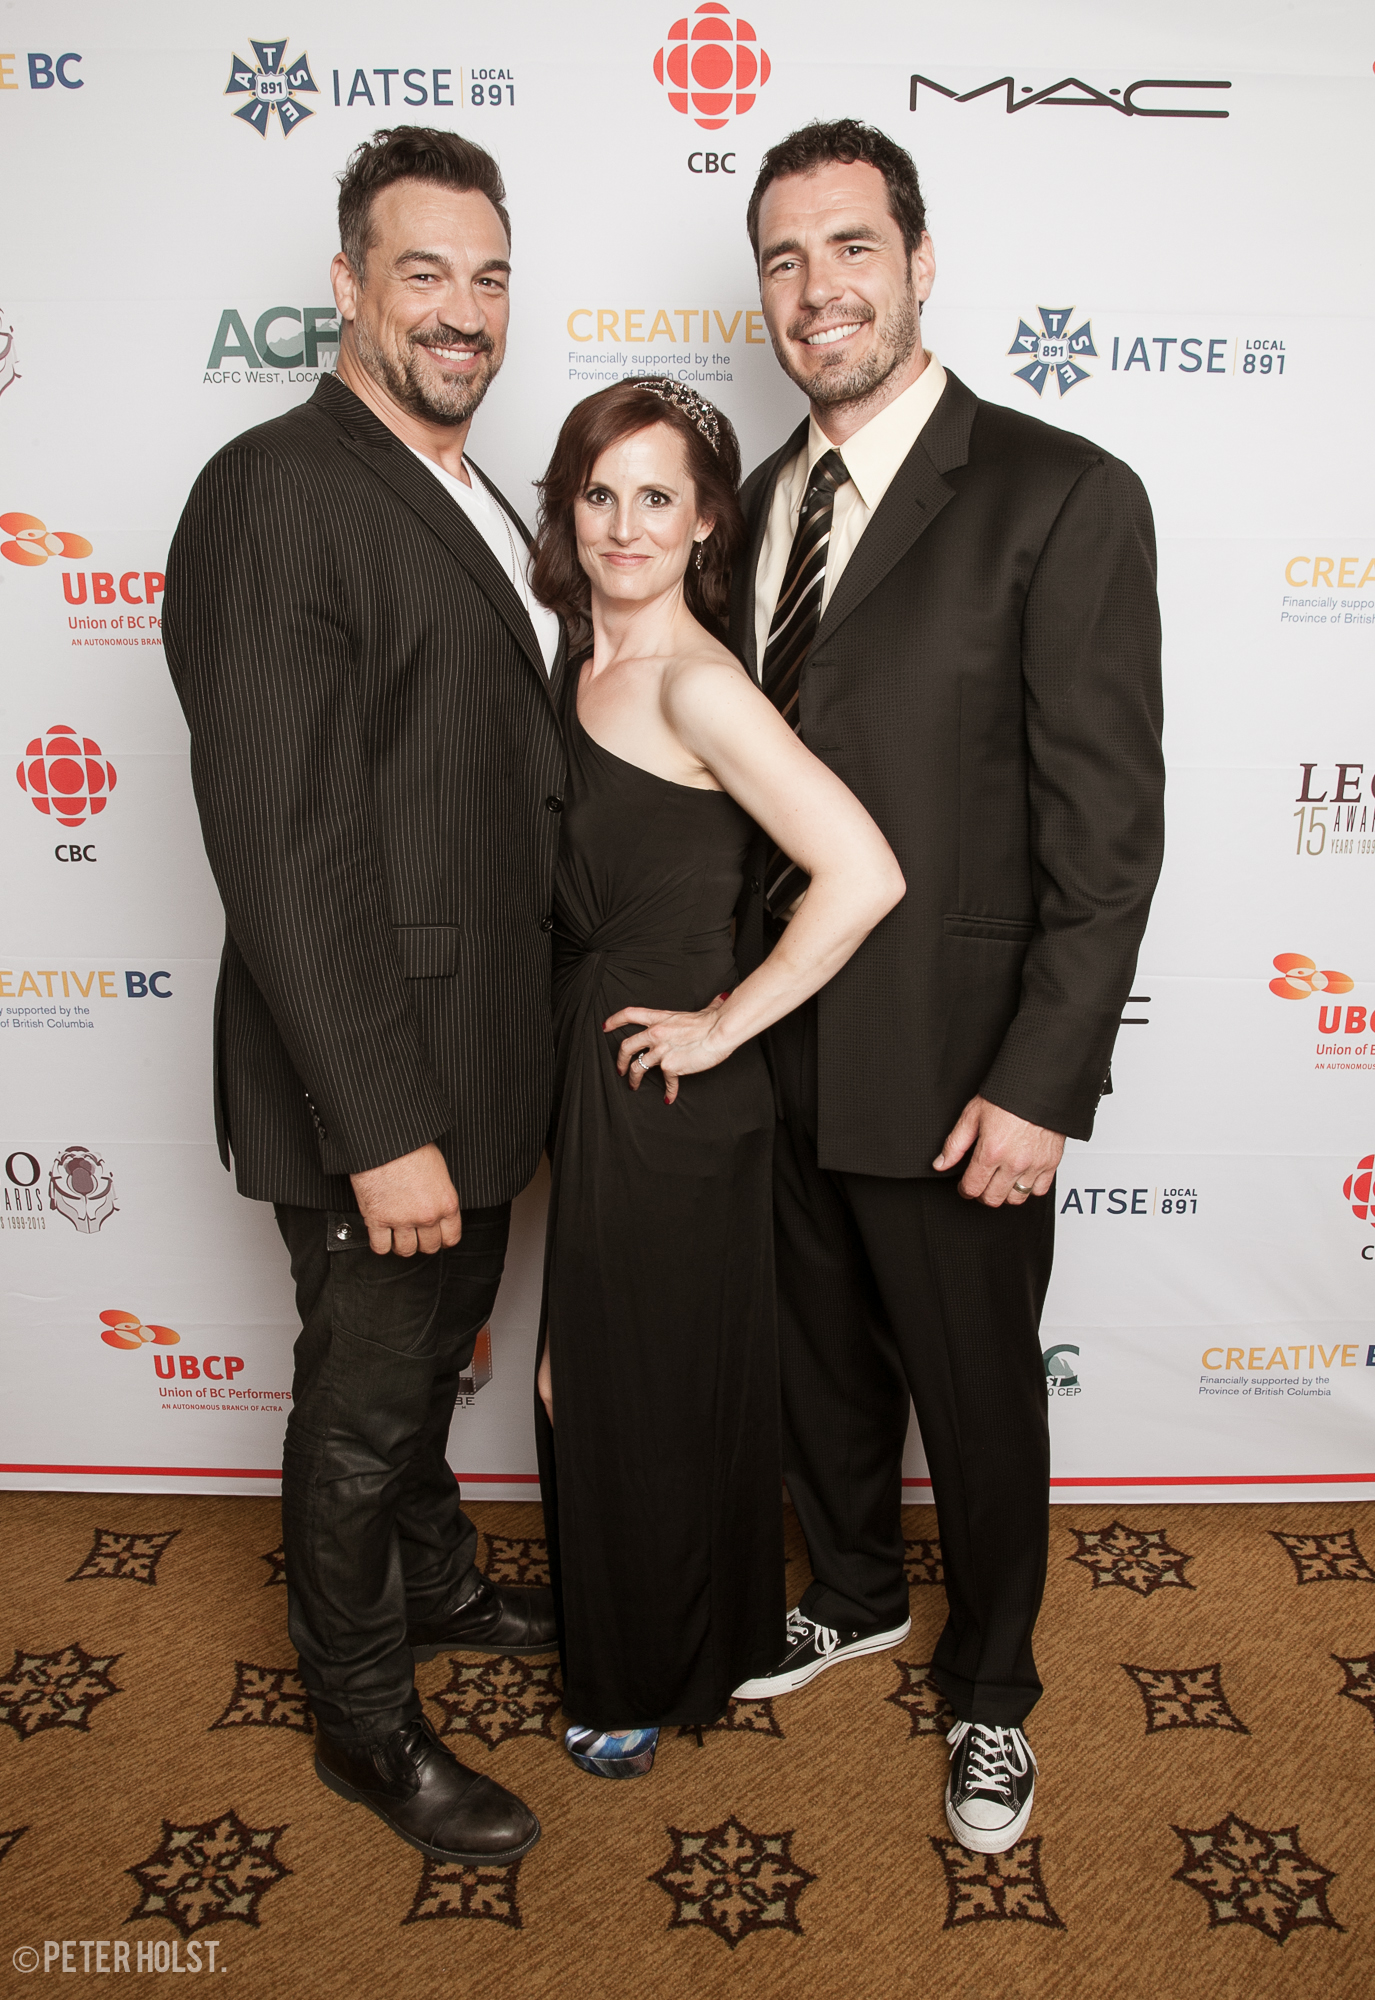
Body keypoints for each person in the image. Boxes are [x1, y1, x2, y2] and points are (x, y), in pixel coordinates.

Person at [728, 121, 1165, 1854]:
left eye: (849, 247)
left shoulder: (1062, 492)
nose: (817, 289)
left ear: (920, 262)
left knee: (976, 1397)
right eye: (783, 258)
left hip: (967, 1064)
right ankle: (852, 1591)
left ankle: (994, 1689)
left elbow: (1108, 834)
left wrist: (1046, 1081)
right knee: (819, 1366)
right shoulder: (754, 504)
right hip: (783, 1045)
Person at [163, 127, 566, 1867]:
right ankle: (362, 1721)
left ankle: (446, 1585)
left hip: (478, 1057)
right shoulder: (277, 486)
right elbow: (288, 838)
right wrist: (384, 1127)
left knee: (411, 1383)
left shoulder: (483, 488)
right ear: (345, 287)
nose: (463, 311)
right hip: (381, 1082)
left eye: (487, 275)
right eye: (424, 272)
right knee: (363, 1405)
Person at [527, 377, 905, 1779]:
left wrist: (724, 1022)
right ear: (571, 508)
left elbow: (863, 873)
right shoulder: (576, 663)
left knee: (629, 1384)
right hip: (595, 1080)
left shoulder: (697, 681)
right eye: (602, 493)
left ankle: (652, 1670)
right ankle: (670, 1633)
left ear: (705, 526)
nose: (628, 524)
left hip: (673, 1097)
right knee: (592, 1376)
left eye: (660, 499)